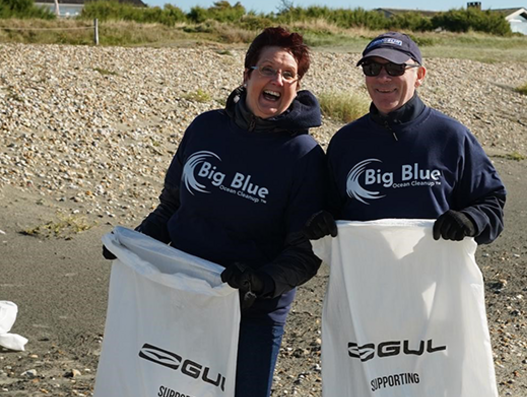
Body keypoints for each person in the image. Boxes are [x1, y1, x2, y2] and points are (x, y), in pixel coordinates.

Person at [104, 27, 326, 397]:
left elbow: (305, 253)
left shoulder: (304, 157)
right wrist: (133, 246)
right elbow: (172, 207)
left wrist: (260, 281)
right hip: (184, 294)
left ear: (297, 86)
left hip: (252, 313)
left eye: (289, 75)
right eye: (268, 69)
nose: (278, 80)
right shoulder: (207, 128)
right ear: (247, 75)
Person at [304, 31, 506, 244]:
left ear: (419, 76)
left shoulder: (450, 136)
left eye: (395, 68)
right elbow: (325, 207)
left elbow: (491, 203)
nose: (383, 77)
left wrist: (471, 220)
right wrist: (321, 219)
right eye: (372, 68)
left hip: (436, 272)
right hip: (365, 272)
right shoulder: (345, 142)